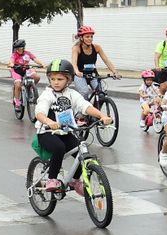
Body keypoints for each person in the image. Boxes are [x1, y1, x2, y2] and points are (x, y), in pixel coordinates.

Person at [33, 59, 113, 191]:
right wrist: (49, 122)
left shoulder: (72, 94)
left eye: (60, 79)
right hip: (47, 133)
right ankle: (51, 179)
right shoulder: (47, 95)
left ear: (68, 80)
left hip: (66, 132)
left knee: (82, 152)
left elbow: (85, 106)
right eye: (52, 79)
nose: (56, 82)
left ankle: (75, 181)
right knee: (59, 148)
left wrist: (102, 116)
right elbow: (39, 112)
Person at [71, 26, 118, 96]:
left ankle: (96, 106)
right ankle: (84, 107)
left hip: (93, 74)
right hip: (80, 75)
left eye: (91, 37)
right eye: (87, 37)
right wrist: (77, 72)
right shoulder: (76, 48)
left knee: (102, 92)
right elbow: (73, 62)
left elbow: (106, 60)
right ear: (81, 38)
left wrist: (115, 72)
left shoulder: (97, 47)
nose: (90, 39)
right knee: (84, 92)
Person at [9, 39, 44, 111]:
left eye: (19, 48)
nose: (17, 50)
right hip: (17, 70)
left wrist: (42, 64)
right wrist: (12, 64)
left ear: (23, 47)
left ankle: (30, 88)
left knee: (37, 77)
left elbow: (35, 59)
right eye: (16, 48)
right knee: (18, 85)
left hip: (26, 69)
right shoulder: (14, 54)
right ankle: (17, 102)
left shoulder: (28, 53)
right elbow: (11, 61)